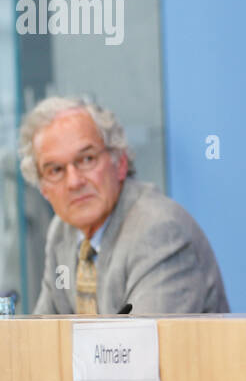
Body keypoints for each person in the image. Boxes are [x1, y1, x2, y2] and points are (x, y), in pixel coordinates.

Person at [19, 97, 229, 314]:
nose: (74, 182)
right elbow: (41, 338)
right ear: (43, 188)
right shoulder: (62, 232)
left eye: (87, 159)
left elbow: (141, 344)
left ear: (120, 162)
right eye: (55, 170)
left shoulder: (160, 232)